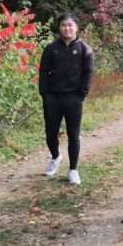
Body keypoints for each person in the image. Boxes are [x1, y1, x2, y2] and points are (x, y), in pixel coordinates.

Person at [38, 13, 94, 184]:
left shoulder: (84, 49)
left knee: (73, 134)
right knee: (50, 133)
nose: (67, 28)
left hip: (73, 98)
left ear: (76, 27)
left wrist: (82, 93)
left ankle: (73, 170)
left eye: (70, 25)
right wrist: (44, 93)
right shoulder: (51, 48)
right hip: (52, 97)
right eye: (64, 25)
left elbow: (88, 73)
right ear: (59, 27)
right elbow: (43, 72)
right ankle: (55, 157)